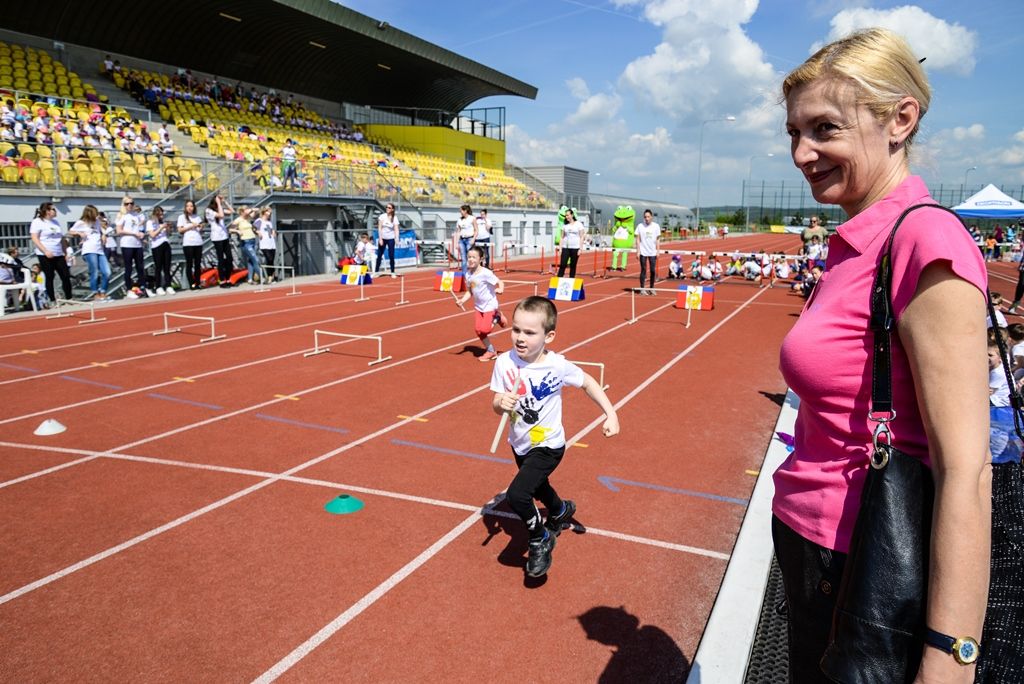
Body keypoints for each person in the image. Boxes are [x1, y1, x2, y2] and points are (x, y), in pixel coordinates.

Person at [774, 28, 989, 682]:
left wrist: (949, 658)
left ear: (900, 120)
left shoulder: (925, 242)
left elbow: (967, 471)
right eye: (793, 133)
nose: (802, 153)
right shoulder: (854, 243)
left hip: (862, 568)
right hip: (816, 553)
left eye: (825, 129)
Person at [490, 296, 620, 577]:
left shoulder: (557, 366)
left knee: (518, 494)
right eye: (516, 330)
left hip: (548, 444)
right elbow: (496, 402)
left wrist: (611, 414)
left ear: (548, 336)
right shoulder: (504, 363)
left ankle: (539, 537)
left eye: (529, 332)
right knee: (537, 487)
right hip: (520, 442)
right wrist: (502, 403)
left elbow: (588, 382)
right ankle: (560, 511)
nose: (520, 338)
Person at [455, 245, 507, 362]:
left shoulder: (486, 273)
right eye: (469, 257)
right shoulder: (468, 274)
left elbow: (500, 282)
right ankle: (491, 351)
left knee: (485, 330)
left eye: (474, 257)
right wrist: (462, 300)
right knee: (478, 330)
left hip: (490, 305)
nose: (471, 259)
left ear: (481, 259)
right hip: (479, 306)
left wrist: (500, 289)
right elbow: (470, 291)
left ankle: (497, 317)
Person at [29, 202, 72, 304]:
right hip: (45, 253)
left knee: (65, 275)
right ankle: (52, 300)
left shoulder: (55, 222)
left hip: (58, 253)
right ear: (47, 211)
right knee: (49, 276)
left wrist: (65, 252)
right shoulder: (37, 222)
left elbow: (61, 238)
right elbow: (34, 238)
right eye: (53, 209)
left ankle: (69, 298)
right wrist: (45, 251)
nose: (55, 211)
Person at [68, 204, 111, 300]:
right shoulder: (81, 223)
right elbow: (70, 231)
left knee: (107, 272)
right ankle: (95, 292)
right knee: (94, 271)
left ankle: (103, 291)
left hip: (99, 250)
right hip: (89, 249)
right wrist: (79, 233)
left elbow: (101, 232)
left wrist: (103, 235)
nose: (96, 215)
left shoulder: (97, 222)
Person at [116, 196, 152, 299]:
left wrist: (140, 234)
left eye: (131, 203)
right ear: (124, 205)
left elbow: (140, 227)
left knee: (140, 267)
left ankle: (143, 287)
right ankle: (129, 289)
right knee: (128, 267)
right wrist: (133, 233)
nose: (130, 205)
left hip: (137, 244)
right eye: (127, 203)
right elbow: (119, 230)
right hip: (127, 244)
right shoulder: (121, 215)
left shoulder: (136, 215)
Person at [206, 194, 234, 288]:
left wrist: (225, 202)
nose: (220, 201)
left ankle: (228, 278)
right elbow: (221, 215)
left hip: (224, 236)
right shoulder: (209, 211)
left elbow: (231, 211)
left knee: (229, 258)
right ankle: (222, 280)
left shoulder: (220, 208)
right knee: (221, 259)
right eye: (219, 199)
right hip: (216, 237)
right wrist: (218, 202)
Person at [177, 200, 204, 290]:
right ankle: (191, 283)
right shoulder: (182, 217)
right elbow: (180, 230)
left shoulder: (197, 217)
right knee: (189, 264)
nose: (189, 208)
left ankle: (197, 282)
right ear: (185, 207)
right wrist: (191, 226)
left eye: (191, 206)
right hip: (188, 243)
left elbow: (201, 229)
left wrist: (200, 227)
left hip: (198, 242)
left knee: (197, 264)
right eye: (188, 206)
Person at [146, 206, 174, 295]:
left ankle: (168, 285)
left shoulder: (163, 222)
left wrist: (168, 228)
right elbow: (152, 235)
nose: (161, 216)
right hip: (156, 246)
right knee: (158, 267)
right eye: (159, 215)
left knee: (167, 266)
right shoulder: (150, 222)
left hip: (165, 243)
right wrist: (161, 228)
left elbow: (168, 234)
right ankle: (158, 286)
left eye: (162, 214)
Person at [229, 207, 260, 284]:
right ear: (242, 211)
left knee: (251, 261)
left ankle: (250, 279)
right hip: (246, 241)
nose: (248, 211)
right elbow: (230, 229)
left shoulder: (248, 218)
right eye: (246, 209)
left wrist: (252, 210)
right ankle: (263, 277)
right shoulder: (238, 220)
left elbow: (257, 210)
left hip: (252, 240)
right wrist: (237, 231)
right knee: (256, 259)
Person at [634, 209, 660, 295]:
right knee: (643, 270)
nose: (647, 218)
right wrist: (638, 251)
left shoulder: (656, 226)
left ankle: (652, 288)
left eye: (648, 217)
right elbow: (637, 239)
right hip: (643, 252)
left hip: (652, 252)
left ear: (651, 217)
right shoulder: (640, 226)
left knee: (652, 271)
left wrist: (658, 251)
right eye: (645, 217)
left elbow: (658, 239)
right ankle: (642, 289)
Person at [557, 208, 585, 278]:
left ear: (572, 215)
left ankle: (571, 280)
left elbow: (582, 237)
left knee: (573, 265)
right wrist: (560, 249)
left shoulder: (579, 224)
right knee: (562, 265)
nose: (567, 217)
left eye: (568, 215)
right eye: (566, 216)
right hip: (565, 248)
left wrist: (580, 249)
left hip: (575, 248)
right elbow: (562, 237)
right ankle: (558, 280)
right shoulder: (565, 225)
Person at [375, 202, 399, 278]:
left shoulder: (394, 218)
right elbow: (379, 228)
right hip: (383, 238)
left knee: (391, 255)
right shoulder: (382, 216)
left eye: (389, 208)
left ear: (392, 209)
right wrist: (380, 239)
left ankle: (392, 272)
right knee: (379, 255)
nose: (387, 209)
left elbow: (396, 229)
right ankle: (376, 271)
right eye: (386, 207)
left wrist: (397, 238)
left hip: (391, 239)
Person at [256, 207, 276, 282]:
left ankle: (272, 276)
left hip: (271, 243)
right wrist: (258, 232)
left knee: (272, 260)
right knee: (269, 259)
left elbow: (272, 230)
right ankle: (270, 276)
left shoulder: (269, 222)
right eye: (268, 211)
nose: (270, 213)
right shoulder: (259, 221)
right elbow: (254, 228)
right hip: (264, 244)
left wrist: (274, 232)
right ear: (264, 212)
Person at [455, 204, 476, 273]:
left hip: (469, 239)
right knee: (463, 258)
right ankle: (464, 275)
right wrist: (456, 242)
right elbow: (458, 231)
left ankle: (473, 271)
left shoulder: (472, 218)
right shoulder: (459, 220)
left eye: (461, 210)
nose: (460, 212)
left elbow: (476, 230)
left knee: (471, 257)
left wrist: (473, 239)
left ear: (465, 211)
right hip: (462, 240)